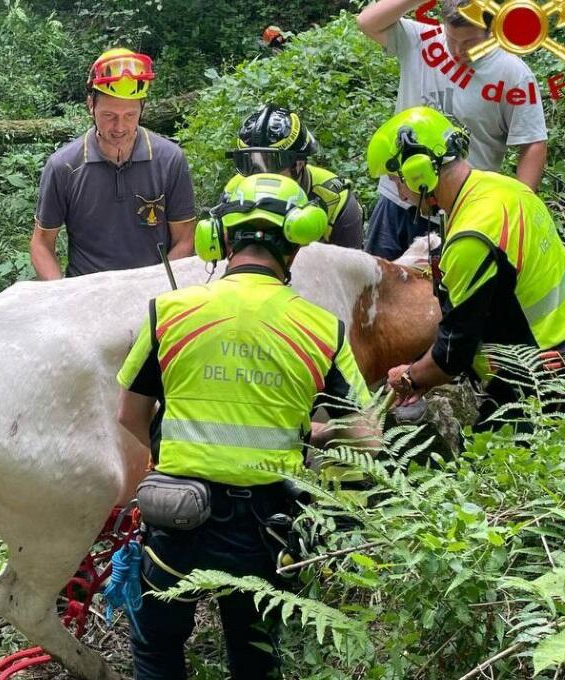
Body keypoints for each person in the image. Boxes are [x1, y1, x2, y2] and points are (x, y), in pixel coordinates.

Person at [117, 173, 380, 679]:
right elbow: (367, 437)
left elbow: (128, 416)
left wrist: (171, 447)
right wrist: (313, 435)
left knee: (157, 650)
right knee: (254, 657)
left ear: (221, 239)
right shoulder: (322, 329)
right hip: (265, 528)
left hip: (175, 516)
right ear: (296, 246)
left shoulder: (169, 313)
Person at [366, 107, 565, 429]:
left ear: (417, 172)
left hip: (538, 380)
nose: (400, 193)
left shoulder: (471, 238)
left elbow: (453, 352)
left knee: (484, 469)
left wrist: (410, 377)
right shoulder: (506, 188)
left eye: (397, 180)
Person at [357, 0, 548, 260]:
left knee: (442, 296)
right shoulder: (420, 41)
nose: (458, 51)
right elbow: (367, 21)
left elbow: (532, 143)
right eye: (451, 39)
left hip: (460, 211)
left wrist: (519, 206)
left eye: (470, 43)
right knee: (378, 287)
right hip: (398, 199)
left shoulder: (512, 75)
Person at [30, 48, 197, 279]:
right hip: (86, 291)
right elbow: (42, 244)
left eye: (129, 115)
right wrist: (60, 293)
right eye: (109, 116)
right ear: (91, 105)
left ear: (142, 109)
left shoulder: (169, 160)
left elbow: (185, 240)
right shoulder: (64, 166)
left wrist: (156, 289)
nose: (119, 127)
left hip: (151, 290)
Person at [225, 104, 364, 248]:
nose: (259, 175)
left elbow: (348, 266)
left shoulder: (334, 199)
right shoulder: (232, 192)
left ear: (299, 163)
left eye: (271, 163)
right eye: (248, 163)